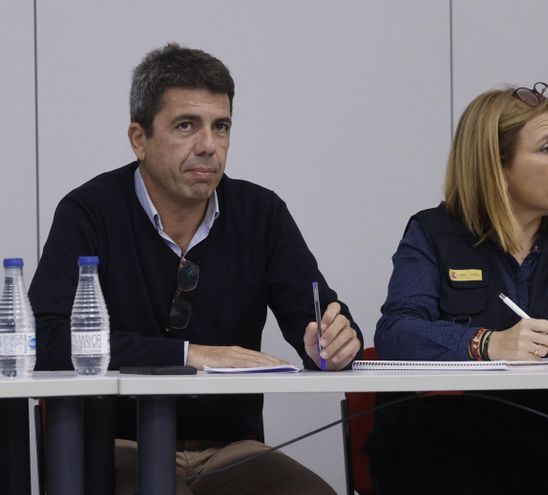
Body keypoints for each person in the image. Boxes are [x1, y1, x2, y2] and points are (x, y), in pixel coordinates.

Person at [29, 43, 362, 495]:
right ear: (138, 138)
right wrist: (189, 355)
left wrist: (333, 343)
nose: (208, 146)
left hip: (232, 449)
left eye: (220, 126)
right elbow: (44, 340)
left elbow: (321, 318)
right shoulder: (90, 212)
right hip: (119, 445)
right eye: (186, 126)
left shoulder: (261, 214)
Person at [364, 82, 548, 494]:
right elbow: (397, 332)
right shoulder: (431, 233)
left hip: (546, 447)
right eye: (547, 147)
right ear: (496, 167)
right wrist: (487, 344)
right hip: (438, 447)